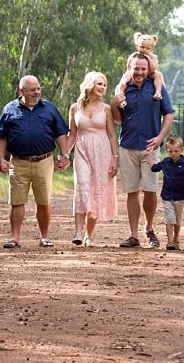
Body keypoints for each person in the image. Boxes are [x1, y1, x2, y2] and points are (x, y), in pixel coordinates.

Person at [0, 75, 70, 249]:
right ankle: (15, 237)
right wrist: (1, 159)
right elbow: (2, 137)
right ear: (22, 91)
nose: (37, 92)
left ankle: (44, 237)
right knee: (17, 201)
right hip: (18, 162)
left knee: (43, 201)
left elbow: (60, 133)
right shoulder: (10, 109)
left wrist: (65, 155)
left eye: (38, 88)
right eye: (32, 89)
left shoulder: (49, 108)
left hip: (44, 161)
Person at [111, 52, 174, 248]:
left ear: (148, 70)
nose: (139, 72)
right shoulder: (123, 90)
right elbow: (117, 119)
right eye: (136, 68)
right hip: (127, 147)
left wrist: (160, 138)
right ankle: (133, 235)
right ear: (129, 68)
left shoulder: (156, 87)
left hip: (150, 148)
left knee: (150, 190)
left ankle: (148, 228)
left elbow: (169, 114)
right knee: (131, 192)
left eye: (143, 69)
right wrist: (114, 104)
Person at [67, 71, 118, 246]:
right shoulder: (75, 108)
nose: (103, 87)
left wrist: (115, 158)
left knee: (96, 192)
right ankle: (78, 232)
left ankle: (89, 234)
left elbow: (112, 135)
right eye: (99, 84)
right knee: (82, 188)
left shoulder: (107, 109)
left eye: (104, 84)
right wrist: (65, 153)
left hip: (102, 152)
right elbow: (72, 135)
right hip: (82, 150)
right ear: (90, 85)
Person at [147, 135, 184, 250]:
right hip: (167, 196)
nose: (173, 154)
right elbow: (153, 168)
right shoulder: (165, 162)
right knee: (169, 218)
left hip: (180, 196)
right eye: (170, 151)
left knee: (177, 219)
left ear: (181, 150)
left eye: (176, 151)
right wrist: (150, 156)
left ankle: (176, 239)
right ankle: (170, 241)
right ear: (167, 151)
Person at [117, 33, 165, 105]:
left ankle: (158, 92)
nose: (144, 50)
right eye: (142, 47)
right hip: (132, 73)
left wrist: (148, 58)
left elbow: (153, 68)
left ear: (151, 49)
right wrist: (131, 70)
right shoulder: (134, 55)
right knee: (124, 79)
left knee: (158, 75)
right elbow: (128, 65)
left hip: (150, 73)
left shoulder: (152, 57)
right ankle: (120, 94)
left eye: (147, 48)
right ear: (137, 46)